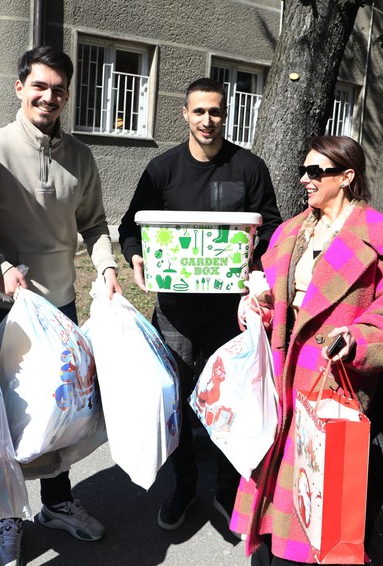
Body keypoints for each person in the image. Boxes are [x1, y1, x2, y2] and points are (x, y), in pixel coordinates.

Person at [0, 46, 121, 566]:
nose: (49, 96)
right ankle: (10, 516)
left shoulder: (81, 157)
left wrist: (108, 269)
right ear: (20, 87)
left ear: (67, 95)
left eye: (59, 89)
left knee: (63, 413)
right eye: (39, 86)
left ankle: (57, 503)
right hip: (11, 312)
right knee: (13, 418)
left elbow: (93, 224)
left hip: (63, 306)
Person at [231, 135, 383, 565]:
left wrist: (359, 339)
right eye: (305, 170)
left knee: (313, 497)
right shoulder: (293, 230)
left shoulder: (379, 236)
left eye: (316, 171)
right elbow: (273, 297)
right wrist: (256, 308)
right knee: (270, 491)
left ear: (346, 177)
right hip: (280, 377)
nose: (305, 179)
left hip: (331, 384)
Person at [117, 77, 282, 534]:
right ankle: (185, 485)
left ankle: (228, 493)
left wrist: (258, 270)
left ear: (224, 115)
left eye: (215, 112)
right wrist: (135, 256)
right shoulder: (162, 169)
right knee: (176, 397)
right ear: (185, 114)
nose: (207, 120)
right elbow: (131, 223)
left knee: (232, 399)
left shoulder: (248, 168)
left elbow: (270, 226)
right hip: (176, 308)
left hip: (231, 310)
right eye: (199, 112)